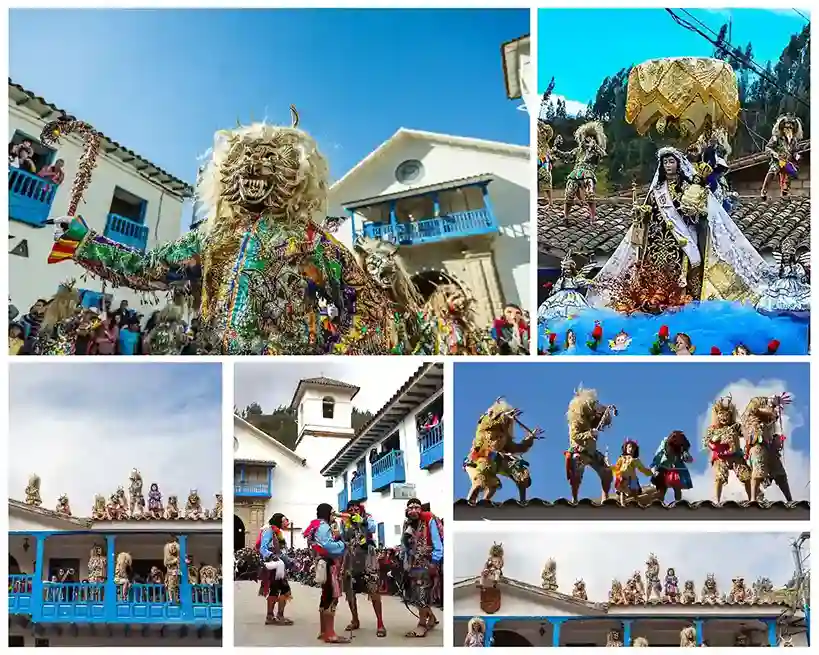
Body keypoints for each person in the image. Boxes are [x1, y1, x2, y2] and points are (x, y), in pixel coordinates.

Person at [587, 147, 768, 311]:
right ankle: (652, 302)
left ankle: (682, 301)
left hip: (681, 239)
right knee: (653, 275)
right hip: (656, 240)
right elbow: (648, 211)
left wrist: (693, 211)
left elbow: (701, 213)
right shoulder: (657, 190)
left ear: (679, 164)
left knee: (684, 272)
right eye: (665, 162)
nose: (668, 165)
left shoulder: (689, 188)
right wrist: (642, 212)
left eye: (671, 161)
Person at [341, 502, 386, 637]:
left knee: (374, 591)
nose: (353, 511)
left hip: (367, 558)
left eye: (356, 509)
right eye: (350, 509)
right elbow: (343, 538)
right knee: (350, 591)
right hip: (351, 559)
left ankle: (380, 623)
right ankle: (355, 620)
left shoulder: (368, 517)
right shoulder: (344, 521)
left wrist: (363, 521)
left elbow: (372, 528)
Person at [399, 498, 443, 638]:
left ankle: (422, 625)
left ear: (421, 509)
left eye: (416, 507)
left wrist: (435, 562)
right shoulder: (407, 524)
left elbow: (438, 543)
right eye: (410, 508)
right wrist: (403, 560)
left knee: (421, 593)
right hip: (413, 564)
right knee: (416, 594)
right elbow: (405, 544)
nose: (413, 511)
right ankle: (432, 618)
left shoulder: (429, 519)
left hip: (427, 563)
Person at [308, 503, 349, 643]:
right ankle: (330, 634)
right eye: (332, 513)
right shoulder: (324, 526)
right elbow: (328, 546)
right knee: (332, 597)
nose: (334, 516)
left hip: (321, 563)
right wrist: (342, 543)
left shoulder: (315, 526)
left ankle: (323, 631)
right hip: (329, 564)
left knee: (325, 597)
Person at [259, 513, 293, 625]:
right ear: (278, 521)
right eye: (284, 520)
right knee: (285, 590)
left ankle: (270, 616)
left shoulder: (277, 533)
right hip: (274, 566)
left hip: (279, 565)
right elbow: (262, 548)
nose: (286, 522)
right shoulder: (269, 531)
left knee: (275, 590)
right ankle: (279, 616)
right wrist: (272, 556)